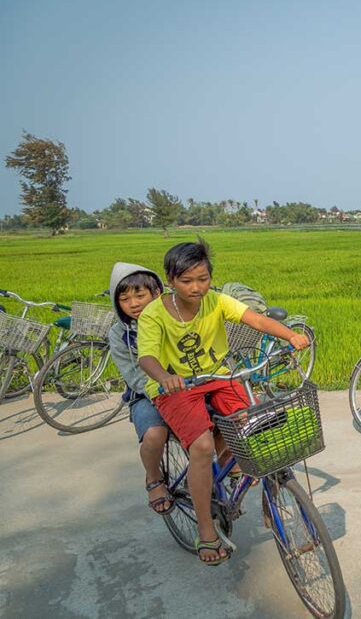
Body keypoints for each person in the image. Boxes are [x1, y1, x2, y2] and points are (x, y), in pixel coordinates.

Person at [138, 239, 309, 566]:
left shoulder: (216, 301)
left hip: (217, 375)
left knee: (256, 424)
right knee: (201, 446)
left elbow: (256, 320)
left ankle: (269, 492)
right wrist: (163, 376)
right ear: (170, 280)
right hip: (175, 386)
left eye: (202, 278)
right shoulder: (154, 313)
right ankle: (205, 527)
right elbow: (146, 355)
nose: (196, 287)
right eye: (186, 280)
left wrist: (290, 335)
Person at [107, 262, 173, 514]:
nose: (133, 303)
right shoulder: (119, 334)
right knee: (155, 434)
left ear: (157, 293)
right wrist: (164, 389)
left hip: (186, 387)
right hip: (145, 394)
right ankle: (154, 477)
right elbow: (134, 376)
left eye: (139, 295)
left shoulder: (173, 318)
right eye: (124, 298)